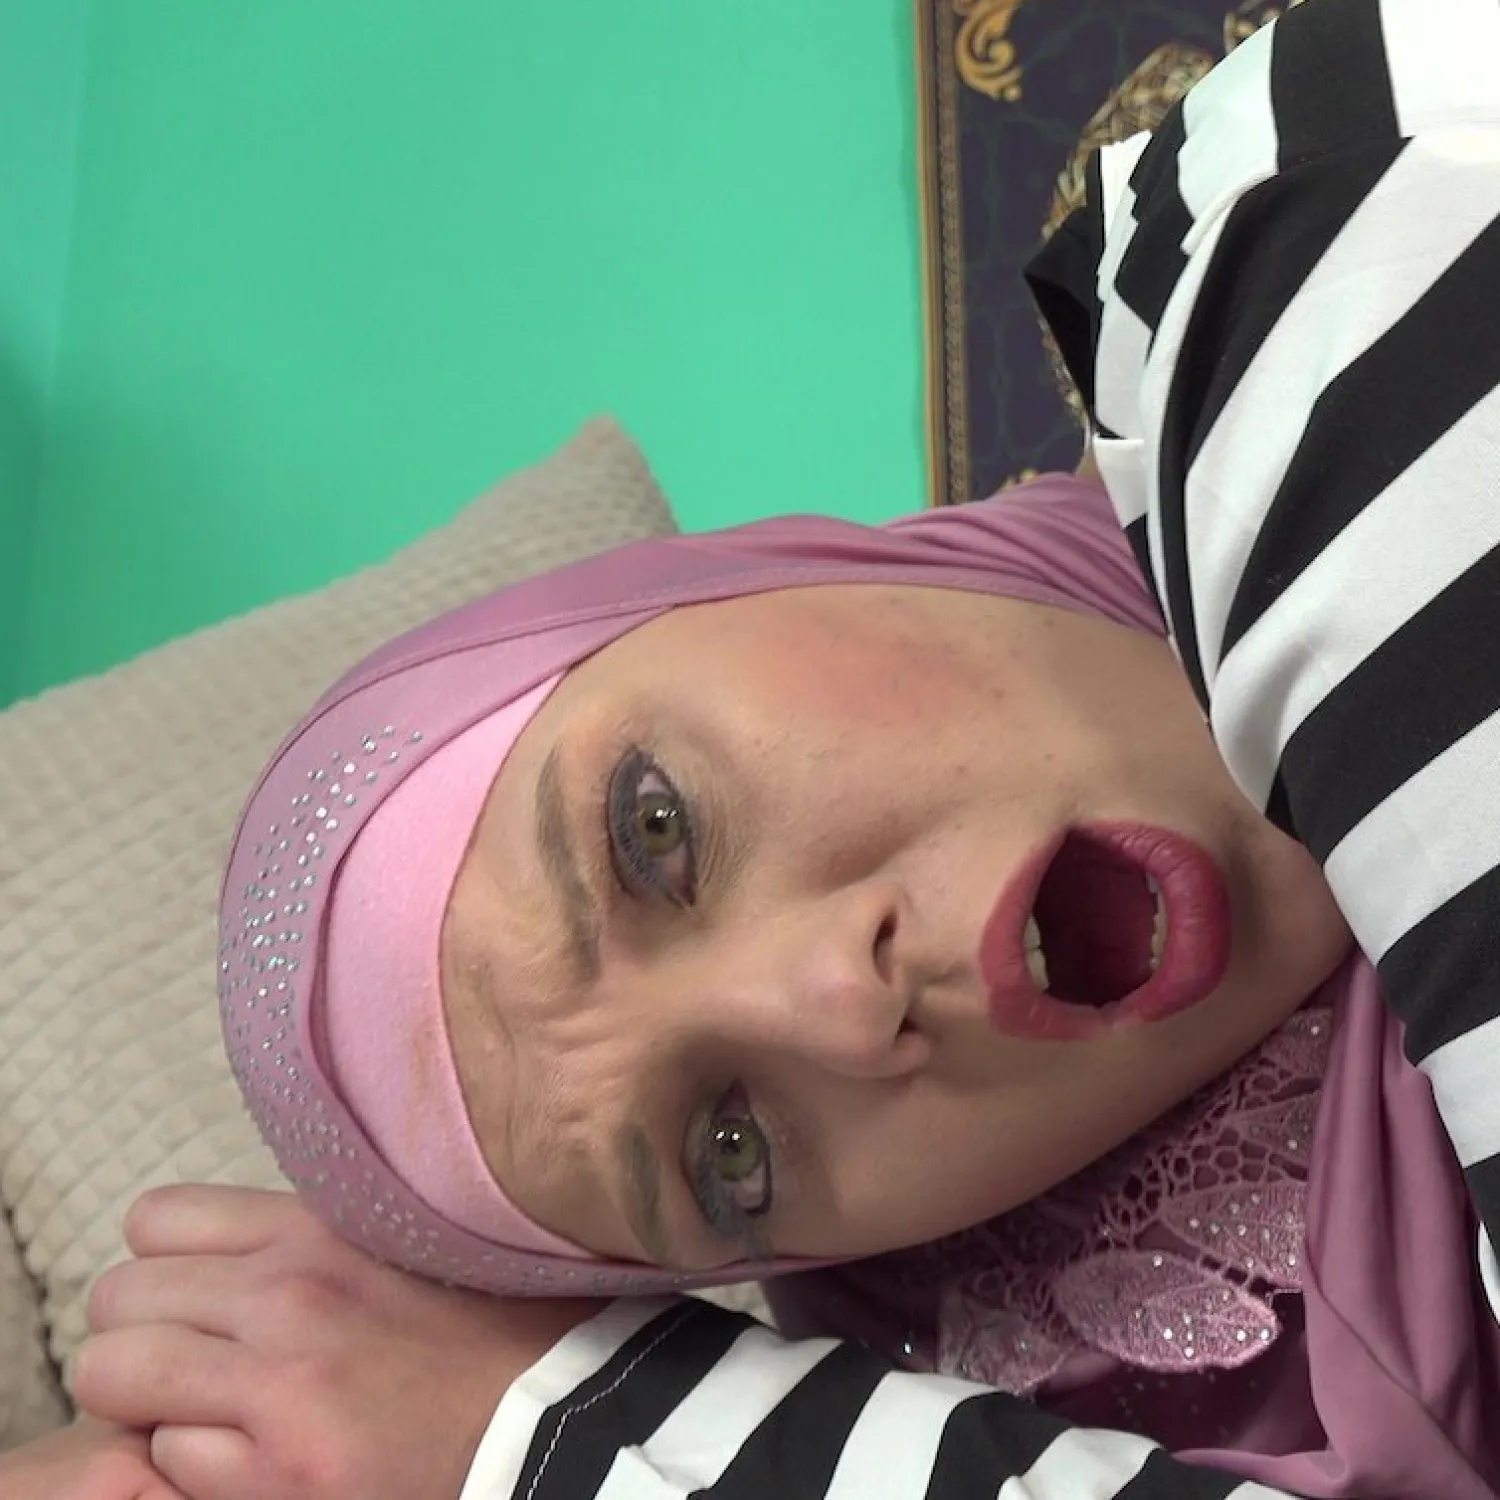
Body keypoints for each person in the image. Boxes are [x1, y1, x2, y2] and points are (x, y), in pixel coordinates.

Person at [11, 0, 1500, 1492]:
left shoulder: (1273, 257)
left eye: (655, 830)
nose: (841, 1005)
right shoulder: (1057, 1415)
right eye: (730, 1157)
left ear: (745, 578)